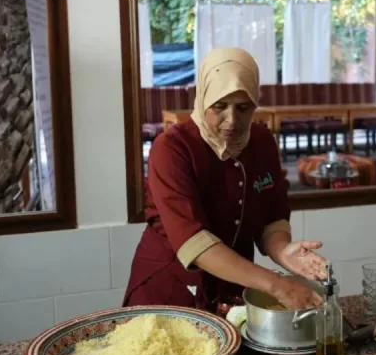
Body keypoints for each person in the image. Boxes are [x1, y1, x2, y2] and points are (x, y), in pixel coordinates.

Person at [123, 47, 326, 312]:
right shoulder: (172, 148)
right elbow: (192, 240)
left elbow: (272, 217)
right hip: (170, 291)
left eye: (243, 108)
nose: (232, 120)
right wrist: (278, 285)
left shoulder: (262, 142)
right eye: (219, 106)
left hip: (233, 290)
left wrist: (281, 252)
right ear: (203, 98)